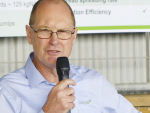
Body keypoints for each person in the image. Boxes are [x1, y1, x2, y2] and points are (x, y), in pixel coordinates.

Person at [0, 0, 141, 113]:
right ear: (30, 35)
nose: (54, 40)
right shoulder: (7, 91)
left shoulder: (94, 82)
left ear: (74, 36)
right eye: (45, 30)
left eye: (63, 31)